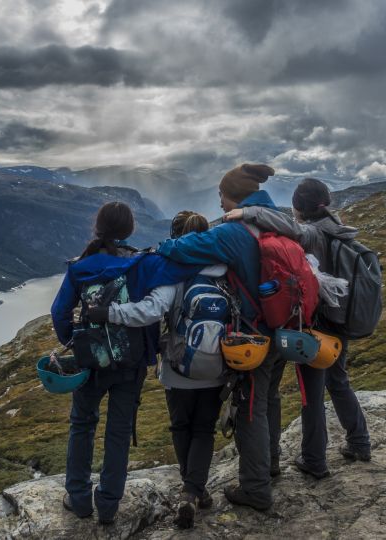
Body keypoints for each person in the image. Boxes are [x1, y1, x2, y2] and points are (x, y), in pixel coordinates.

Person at [50, 202, 201, 525]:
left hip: (91, 361)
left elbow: (59, 312)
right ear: (130, 230)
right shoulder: (144, 265)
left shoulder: (80, 267)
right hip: (131, 364)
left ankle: (78, 499)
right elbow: (185, 269)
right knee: (118, 431)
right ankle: (108, 504)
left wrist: (72, 343)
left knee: (82, 424)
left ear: (98, 228)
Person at [224, 177, 372, 479]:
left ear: (298, 209)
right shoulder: (340, 229)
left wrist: (247, 213)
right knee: (339, 381)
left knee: (311, 394)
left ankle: (314, 460)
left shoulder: (315, 234)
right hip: (341, 322)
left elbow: (290, 228)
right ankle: (359, 442)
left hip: (319, 326)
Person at [156, 163, 283, 511]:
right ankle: (271, 464)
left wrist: (162, 247)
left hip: (255, 336)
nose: (221, 205)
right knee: (269, 398)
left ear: (234, 195)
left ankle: (256, 489)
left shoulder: (235, 231)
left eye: (222, 197)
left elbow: (182, 249)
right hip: (285, 326)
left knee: (250, 411)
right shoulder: (278, 220)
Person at [90, 210, 226, 529]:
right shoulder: (223, 270)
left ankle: (190, 491)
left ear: (175, 237)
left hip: (178, 367)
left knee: (181, 426)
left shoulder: (173, 272)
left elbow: (149, 312)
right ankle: (194, 491)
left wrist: (107, 313)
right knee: (204, 428)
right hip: (217, 362)